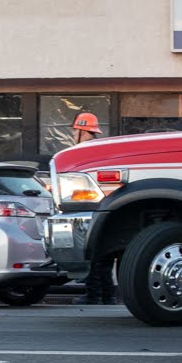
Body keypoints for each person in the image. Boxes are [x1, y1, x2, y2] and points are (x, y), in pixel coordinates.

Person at [69, 112, 116, 305]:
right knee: (104, 256)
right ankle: (107, 295)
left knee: (94, 255)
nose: (72, 135)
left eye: (75, 131)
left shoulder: (84, 152)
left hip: (91, 208)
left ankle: (94, 295)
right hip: (105, 208)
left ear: (82, 131)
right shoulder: (100, 150)